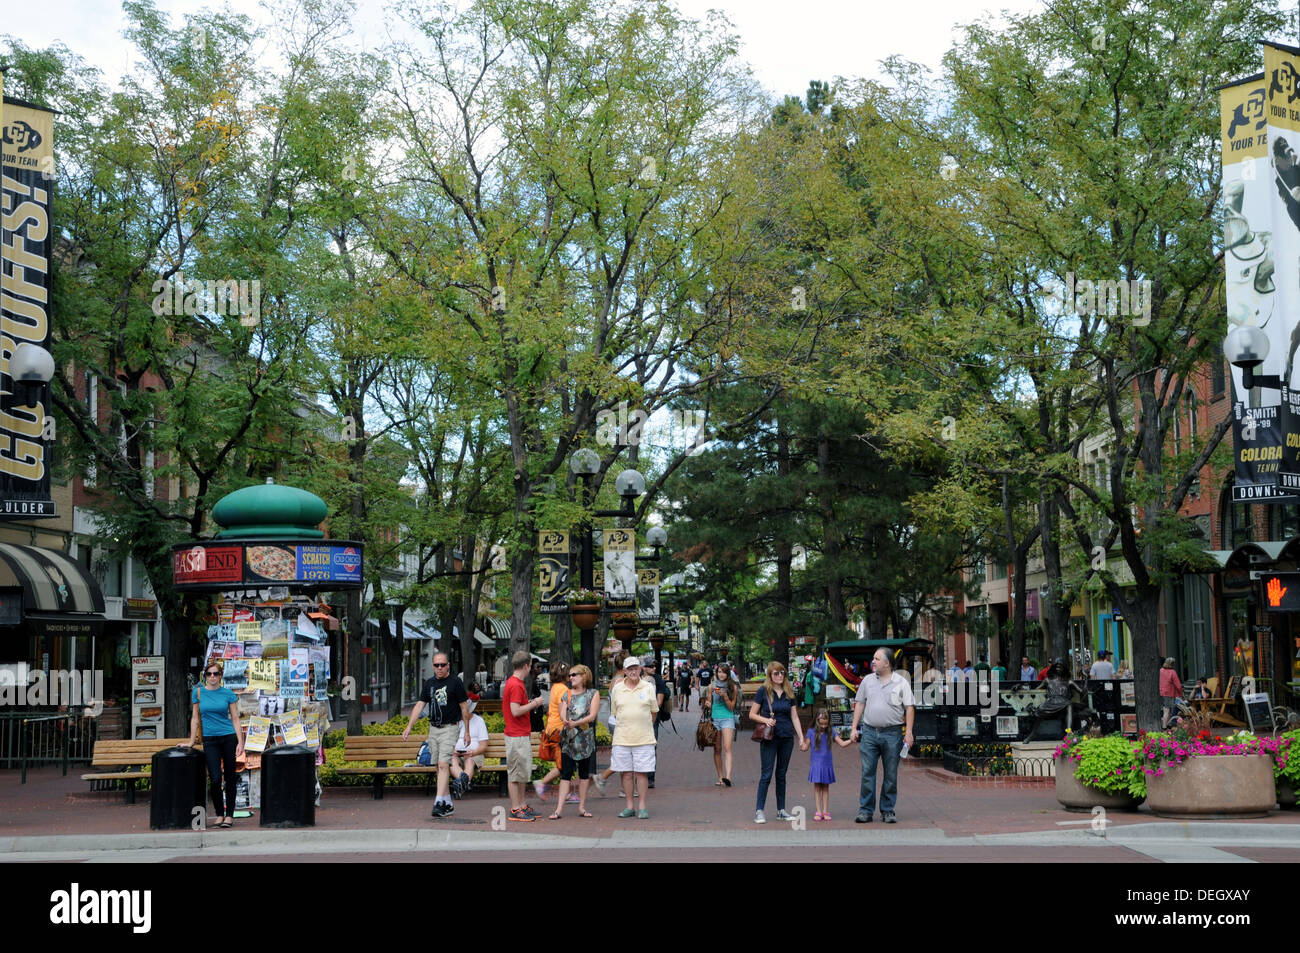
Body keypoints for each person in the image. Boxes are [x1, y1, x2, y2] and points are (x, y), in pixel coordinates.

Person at [849, 647, 915, 824]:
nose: (873, 661)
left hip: (892, 733)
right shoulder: (867, 681)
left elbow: (909, 707)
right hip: (870, 732)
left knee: (891, 774)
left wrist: (908, 732)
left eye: (877, 659)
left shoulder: (901, 682)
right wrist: (854, 728)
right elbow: (860, 703)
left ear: (887, 663)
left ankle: (888, 810)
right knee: (867, 773)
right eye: (873, 658)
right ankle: (865, 811)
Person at [402, 650, 471, 818]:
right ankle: (447, 803)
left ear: (448, 665)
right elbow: (419, 705)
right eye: (436, 665)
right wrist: (409, 726)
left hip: (450, 728)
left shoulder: (455, 682)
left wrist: (467, 731)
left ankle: (438, 802)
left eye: (442, 665)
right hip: (434, 728)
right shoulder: (430, 684)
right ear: (433, 666)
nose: (439, 668)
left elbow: (464, 707)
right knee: (438, 767)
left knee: (443, 764)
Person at [183, 663, 244, 828]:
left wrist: (240, 742)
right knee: (216, 778)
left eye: (216, 674)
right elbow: (195, 718)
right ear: (205, 676)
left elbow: (235, 718)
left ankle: (229, 815)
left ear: (220, 676)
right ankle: (219, 813)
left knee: (230, 776)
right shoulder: (198, 693)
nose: (212, 677)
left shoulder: (228, 694)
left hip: (228, 737)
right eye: (209, 674)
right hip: (210, 740)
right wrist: (191, 740)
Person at [749, 661, 806, 824]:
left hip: (787, 736)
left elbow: (794, 716)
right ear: (770, 675)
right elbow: (752, 714)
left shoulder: (789, 692)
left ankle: (781, 810)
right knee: (766, 774)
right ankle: (759, 810)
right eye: (776, 673)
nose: (780, 676)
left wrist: (801, 737)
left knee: (781, 774)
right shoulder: (764, 691)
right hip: (770, 737)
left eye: (782, 672)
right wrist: (766, 719)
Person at [609, 656, 658, 819]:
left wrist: (644, 726)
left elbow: (654, 711)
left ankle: (642, 806)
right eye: (629, 669)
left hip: (644, 738)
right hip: (622, 738)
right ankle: (629, 806)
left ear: (640, 669)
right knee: (626, 774)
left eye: (635, 668)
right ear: (624, 671)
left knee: (642, 773)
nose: (633, 671)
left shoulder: (648, 687)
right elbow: (615, 713)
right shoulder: (617, 689)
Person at [550, 664, 600, 819]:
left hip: (584, 739)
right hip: (569, 739)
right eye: (570, 675)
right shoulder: (567, 693)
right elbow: (562, 710)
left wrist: (575, 723)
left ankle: (582, 807)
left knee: (584, 774)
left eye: (574, 675)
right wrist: (565, 720)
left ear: (584, 676)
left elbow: (592, 716)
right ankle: (558, 810)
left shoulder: (593, 693)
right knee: (565, 773)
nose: (571, 677)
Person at [503, 650, 547, 821]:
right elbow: (515, 711)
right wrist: (534, 703)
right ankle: (515, 809)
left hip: (520, 734)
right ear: (526, 666)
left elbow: (516, 707)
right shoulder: (516, 685)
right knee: (516, 773)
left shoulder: (515, 683)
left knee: (521, 772)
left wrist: (528, 704)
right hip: (516, 735)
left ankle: (521, 805)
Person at [1023, 661, 1100, 741]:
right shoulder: (1047, 680)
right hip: (1051, 703)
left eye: (1061, 667)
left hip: (1064, 703)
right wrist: (1021, 687)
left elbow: (1082, 692)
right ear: (1054, 668)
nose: (1058, 669)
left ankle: (1068, 734)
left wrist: (1086, 678)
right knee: (1039, 712)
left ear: (1064, 669)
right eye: (1057, 667)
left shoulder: (1069, 681)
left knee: (1069, 705)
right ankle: (1032, 734)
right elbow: (1034, 690)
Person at [807, 708, 853, 821]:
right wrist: (801, 745)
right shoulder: (811, 732)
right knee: (817, 787)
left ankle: (825, 810)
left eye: (825, 724)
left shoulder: (830, 731)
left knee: (826, 788)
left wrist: (851, 740)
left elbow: (842, 743)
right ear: (817, 721)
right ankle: (818, 811)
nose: (823, 726)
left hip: (827, 763)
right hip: (816, 763)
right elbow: (805, 746)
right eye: (821, 723)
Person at [534, 660, 570, 801]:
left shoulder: (555, 687)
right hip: (559, 731)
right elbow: (564, 710)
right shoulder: (563, 690)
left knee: (563, 763)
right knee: (564, 764)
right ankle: (542, 783)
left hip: (551, 729)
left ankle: (565, 793)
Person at [710, 661, 740, 787]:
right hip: (715, 718)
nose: (721, 674)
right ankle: (720, 776)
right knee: (717, 749)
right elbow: (709, 702)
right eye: (719, 672)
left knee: (727, 748)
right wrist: (707, 704)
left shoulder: (733, 687)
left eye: (724, 672)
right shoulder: (712, 686)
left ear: (728, 674)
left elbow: (732, 707)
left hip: (727, 718)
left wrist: (726, 697)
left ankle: (728, 777)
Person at [450, 700, 490, 797]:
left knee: (469, 761)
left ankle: (460, 785)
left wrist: (473, 752)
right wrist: (453, 750)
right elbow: (449, 741)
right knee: (450, 761)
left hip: (475, 754)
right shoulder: (456, 721)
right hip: (456, 754)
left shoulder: (479, 721)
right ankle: (464, 783)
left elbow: (484, 745)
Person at [1159, 657, 1184, 729]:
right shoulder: (1172, 672)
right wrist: (1181, 694)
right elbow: (1178, 685)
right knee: (1167, 710)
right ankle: (1164, 726)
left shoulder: (1161, 670)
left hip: (1161, 692)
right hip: (1168, 693)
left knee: (1165, 709)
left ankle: (1167, 724)